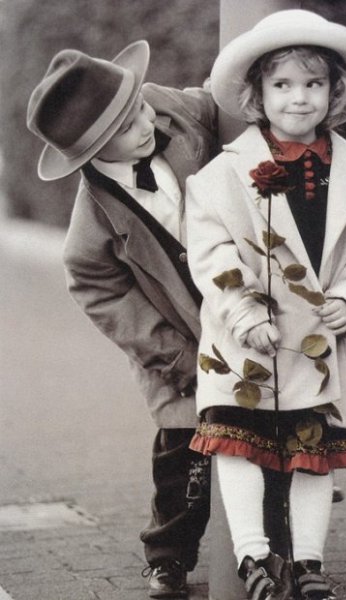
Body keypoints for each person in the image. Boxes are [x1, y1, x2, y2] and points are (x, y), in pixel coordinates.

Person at [185, 9, 346, 600]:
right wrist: (243, 311)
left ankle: (308, 562)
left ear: (334, 92)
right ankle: (252, 554)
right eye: (282, 84)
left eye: (313, 84)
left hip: (317, 340)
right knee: (238, 441)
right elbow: (211, 251)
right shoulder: (222, 175)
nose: (298, 98)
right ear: (258, 94)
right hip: (248, 339)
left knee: (313, 450)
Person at [26, 40, 217, 599]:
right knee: (185, 451)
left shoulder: (167, 108)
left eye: (139, 107)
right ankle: (168, 554)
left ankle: (280, 540)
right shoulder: (93, 220)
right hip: (175, 341)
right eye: (127, 126)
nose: (145, 122)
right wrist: (179, 358)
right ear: (92, 153)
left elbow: (220, 100)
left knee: (273, 424)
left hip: (239, 302)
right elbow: (98, 290)